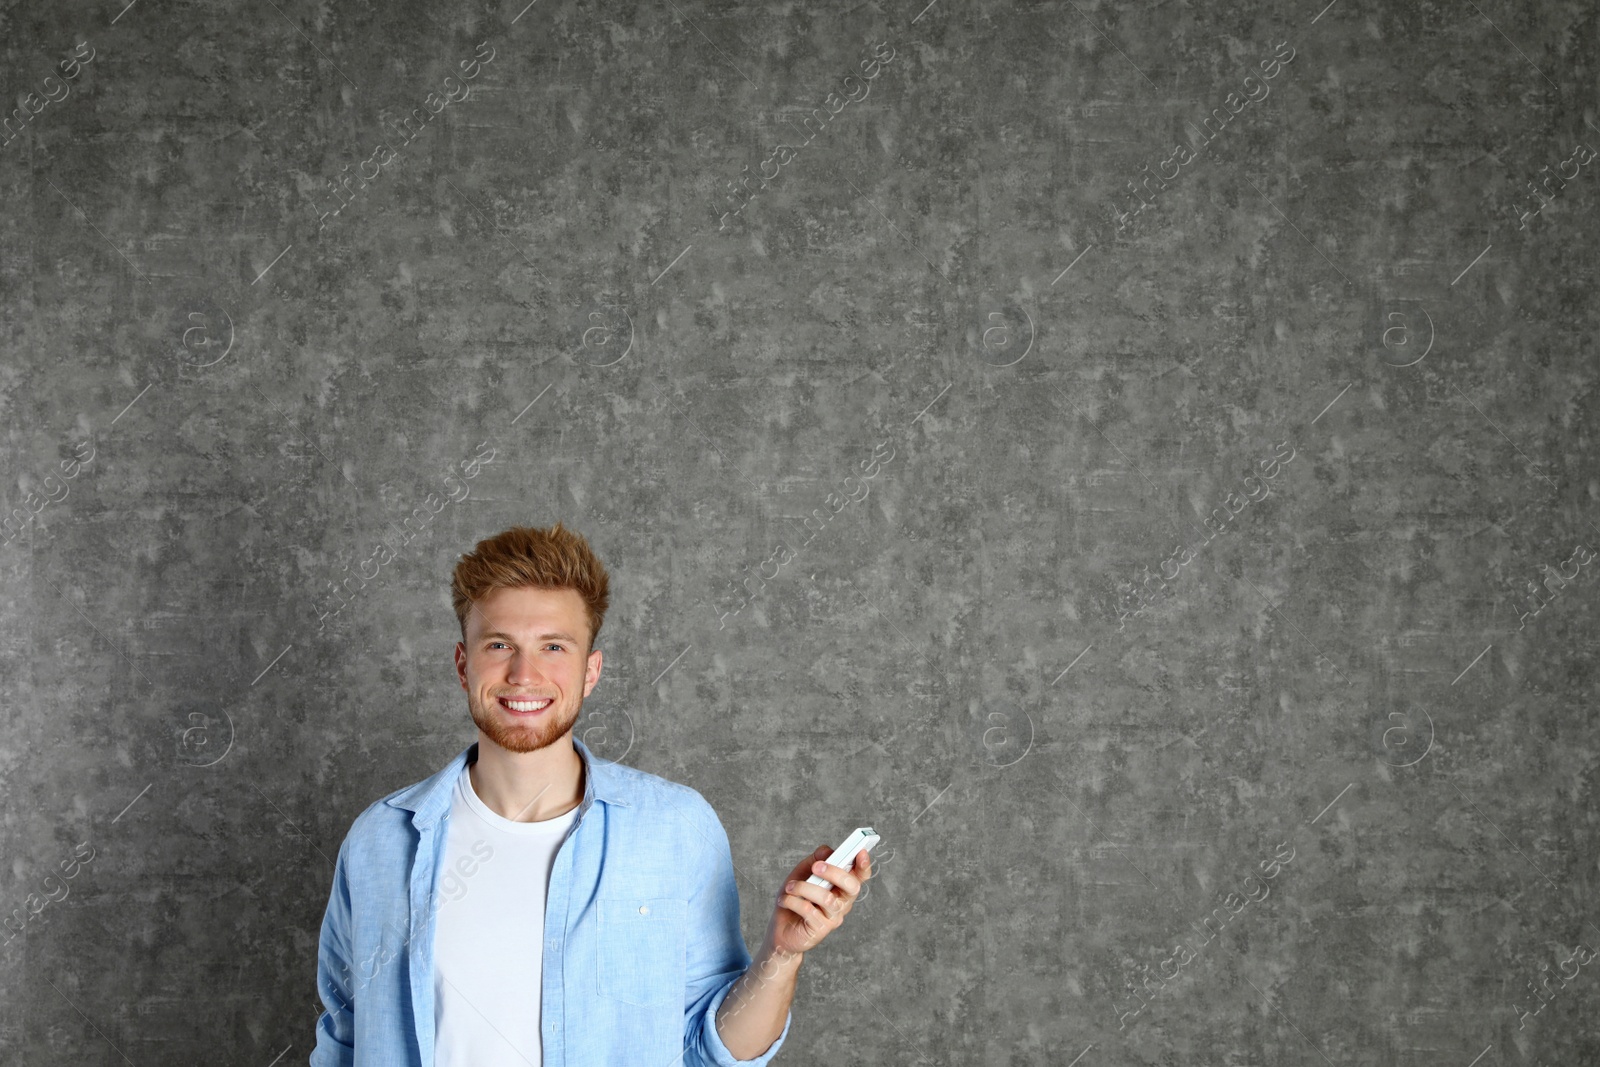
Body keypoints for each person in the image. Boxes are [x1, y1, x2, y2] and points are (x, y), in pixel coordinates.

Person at [310, 522, 872, 1066]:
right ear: (463, 664)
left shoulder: (676, 829)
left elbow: (714, 1052)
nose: (524, 674)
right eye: (500, 644)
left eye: (554, 647)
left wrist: (782, 954)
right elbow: (344, 1042)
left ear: (590, 671)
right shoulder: (379, 841)